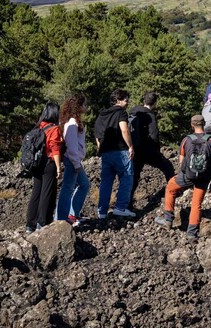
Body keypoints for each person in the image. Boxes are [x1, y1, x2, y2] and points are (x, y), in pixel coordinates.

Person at [155, 115, 211, 242]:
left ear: (192, 125)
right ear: (204, 124)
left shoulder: (186, 140)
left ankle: (168, 220)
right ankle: (191, 234)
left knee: (170, 188)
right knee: (196, 204)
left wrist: (184, 176)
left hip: (187, 175)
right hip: (204, 177)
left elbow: (181, 161)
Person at [128, 91, 175, 210]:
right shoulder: (150, 115)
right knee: (167, 167)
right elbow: (154, 134)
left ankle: (127, 203)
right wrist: (157, 151)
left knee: (134, 176)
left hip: (135, 149)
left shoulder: (134, 112)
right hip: (148, 150)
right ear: (155, 103)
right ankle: (174, 192)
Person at [94, 89, 135, 218]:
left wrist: (101, 148)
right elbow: (124, 130)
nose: (127, 103)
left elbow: (97, 135)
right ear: (118, 100)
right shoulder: (121, 113)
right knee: (126, 178)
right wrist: (131, 146)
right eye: (126, 100)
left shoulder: (102, 115)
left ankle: (102, 211)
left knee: (106, 182)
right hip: (120, 150)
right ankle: (120, 207)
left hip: (106, 151)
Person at [26, 103, 63, 232]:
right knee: (47, 193)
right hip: (48, 163)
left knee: (36, 193)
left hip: (36, 164)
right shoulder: (54, 129)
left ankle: (30, 224)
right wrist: (59, 167)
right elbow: (55, 149)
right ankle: (42, 223)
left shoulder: (39, 126)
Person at [55, 94, 90, 226]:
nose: (86, 107)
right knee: (68, 188)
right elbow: (71, 146)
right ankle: (61, 220)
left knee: (84, 185)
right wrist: (76, 164)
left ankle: (71, 214)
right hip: (72, 160)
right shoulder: (72, 123)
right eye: (84, 104)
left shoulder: (71, 121)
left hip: (73, 160)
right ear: (78, 106)